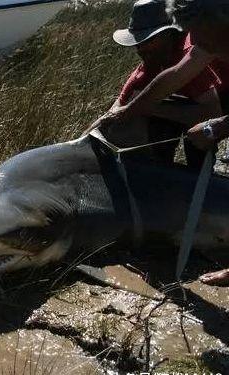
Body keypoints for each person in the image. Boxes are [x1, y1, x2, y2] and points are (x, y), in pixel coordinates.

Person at [94, 0, 229, 285]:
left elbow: (213, 112)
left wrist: (217, 126)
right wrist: (130, 110)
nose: (192, 42)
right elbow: (176, 74)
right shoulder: (206, 38)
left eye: (196, 33)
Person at [87, 0, 222, 168]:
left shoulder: (196, 51)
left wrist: (149, 108)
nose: (140, 49)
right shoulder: (148, 68)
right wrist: (82, 140)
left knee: (199, 139)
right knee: (143, 108)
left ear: (168, 35)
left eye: (147, 40)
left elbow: (213, 113)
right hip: (204, 112)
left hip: (221, 105)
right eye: (138, 43)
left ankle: (203, 181)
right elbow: (115, 112)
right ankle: (159, 171)